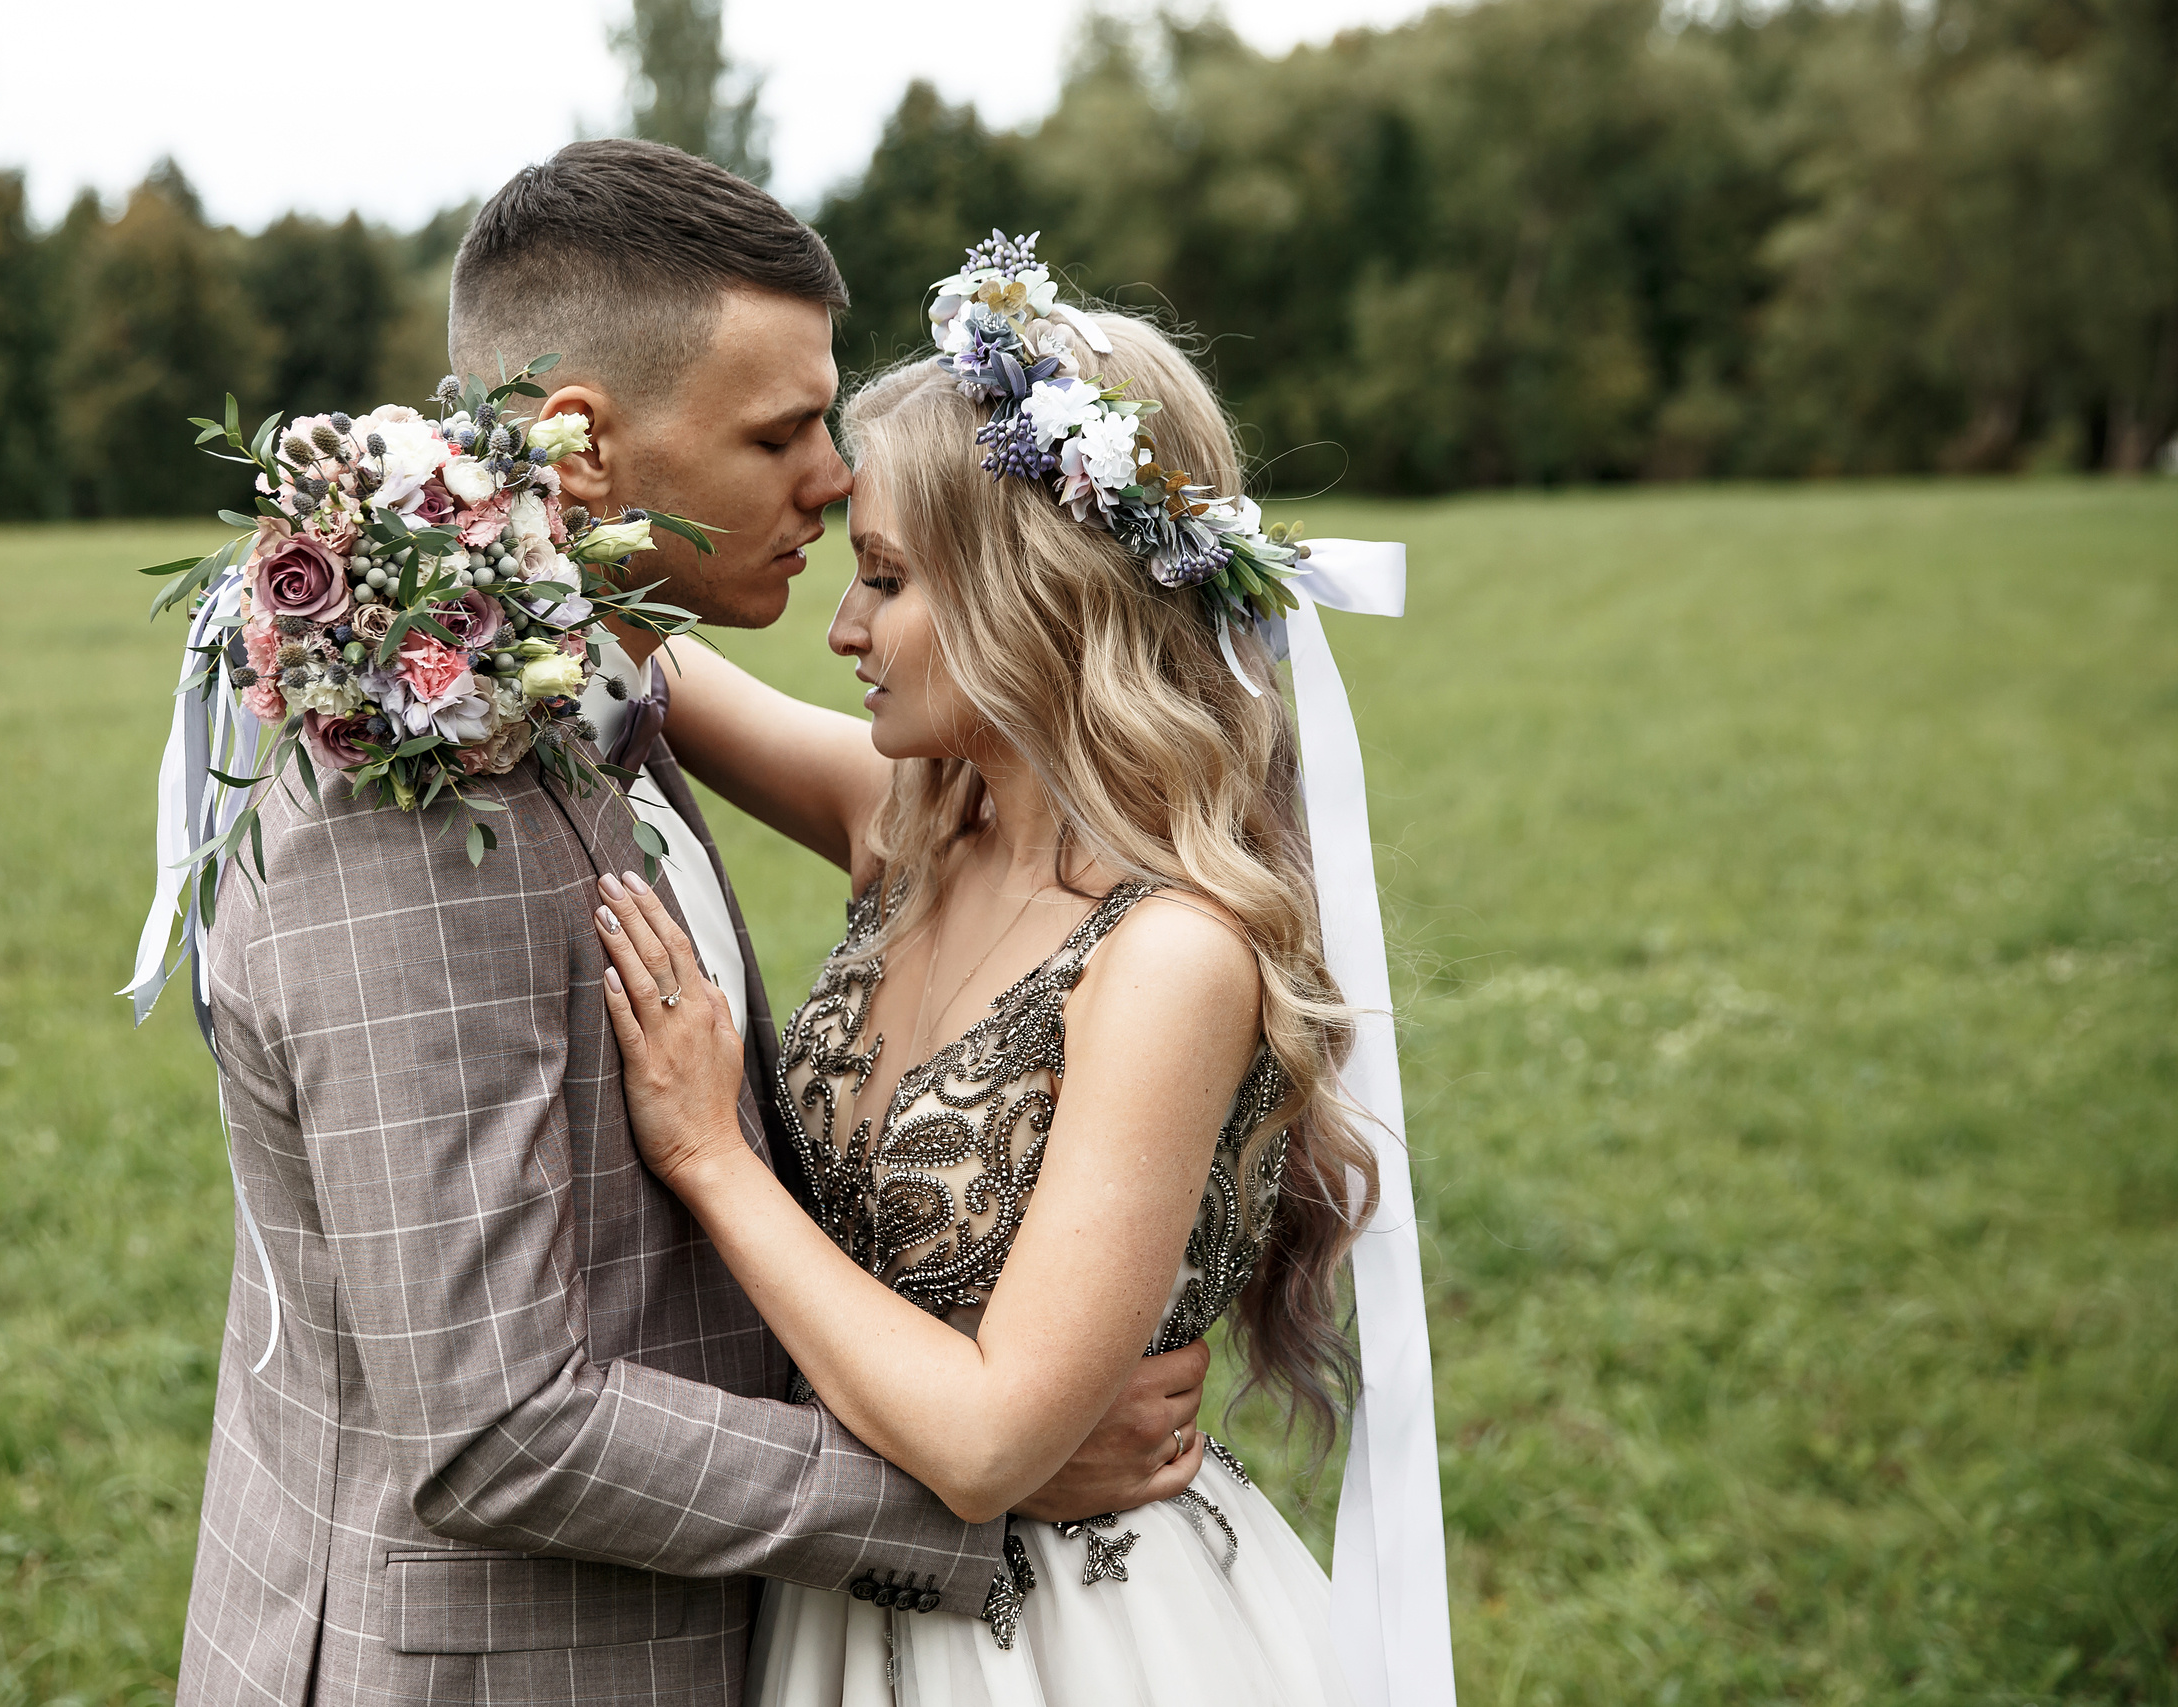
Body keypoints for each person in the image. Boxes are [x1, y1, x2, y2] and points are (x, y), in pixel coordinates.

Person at [171, 141, 1212, 1707]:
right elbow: (495, 1423)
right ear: (583, 445)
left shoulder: (587, 668)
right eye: (785, 431)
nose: (834, 477)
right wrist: (975, 1495)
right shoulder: (408, 787)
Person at [591, 299, 1382, 1703]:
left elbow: (985, 1441)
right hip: (839, 1600)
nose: (841, 628)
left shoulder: (1168, 954)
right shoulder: (907, 826)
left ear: (1040, 590)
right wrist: (438, 505)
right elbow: (619, 632)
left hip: (1079, 1642)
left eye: (885, 580)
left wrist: (713, 1157)